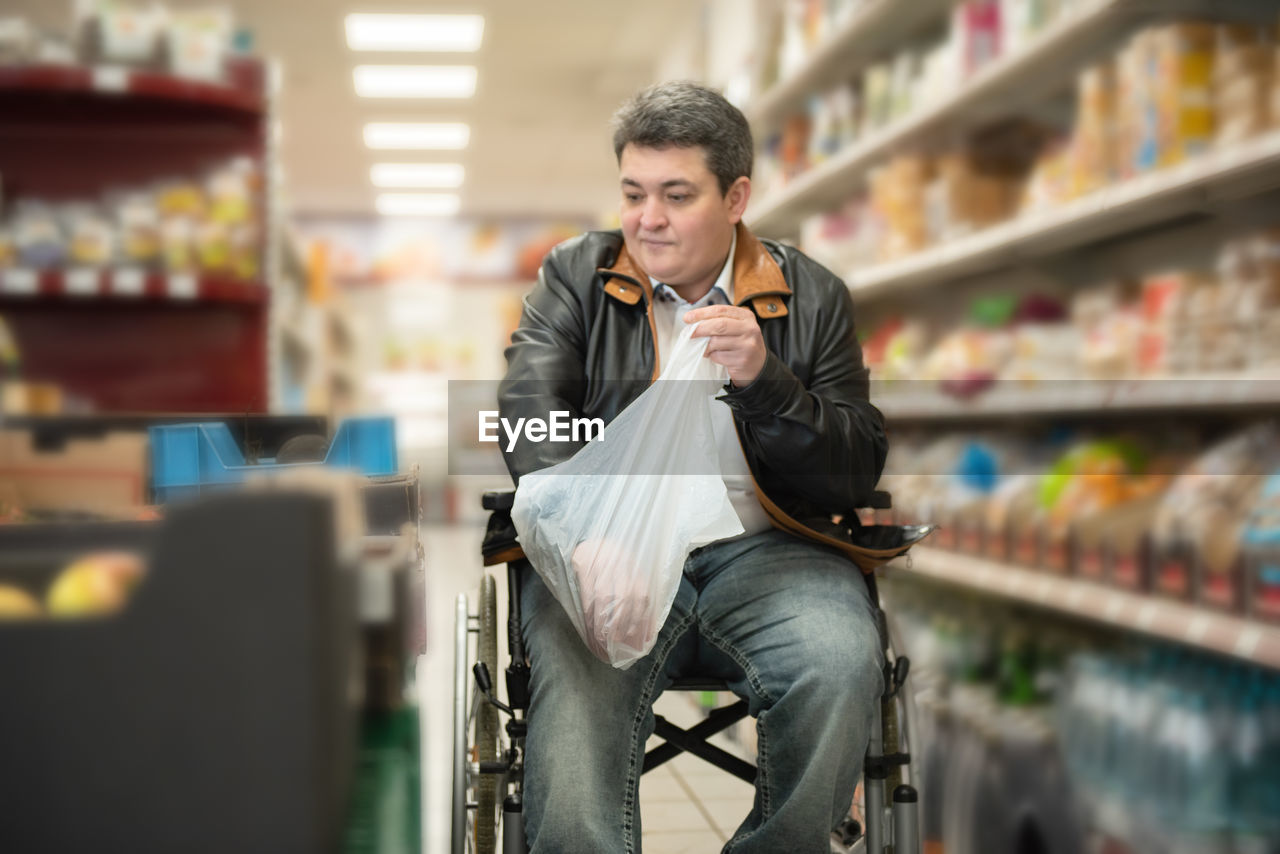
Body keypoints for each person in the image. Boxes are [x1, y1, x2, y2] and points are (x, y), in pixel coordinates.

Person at [498, 81, 889, 854]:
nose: (648, 219)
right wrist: (583, 540)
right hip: (610, 551)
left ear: (736, 196)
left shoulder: (810, 297)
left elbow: (853, 466)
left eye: (677, 195)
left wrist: (766, 382)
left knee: (841, 660)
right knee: (573, 711)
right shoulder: (575, 278)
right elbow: (528, 411)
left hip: (773, 552)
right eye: (634, 193)